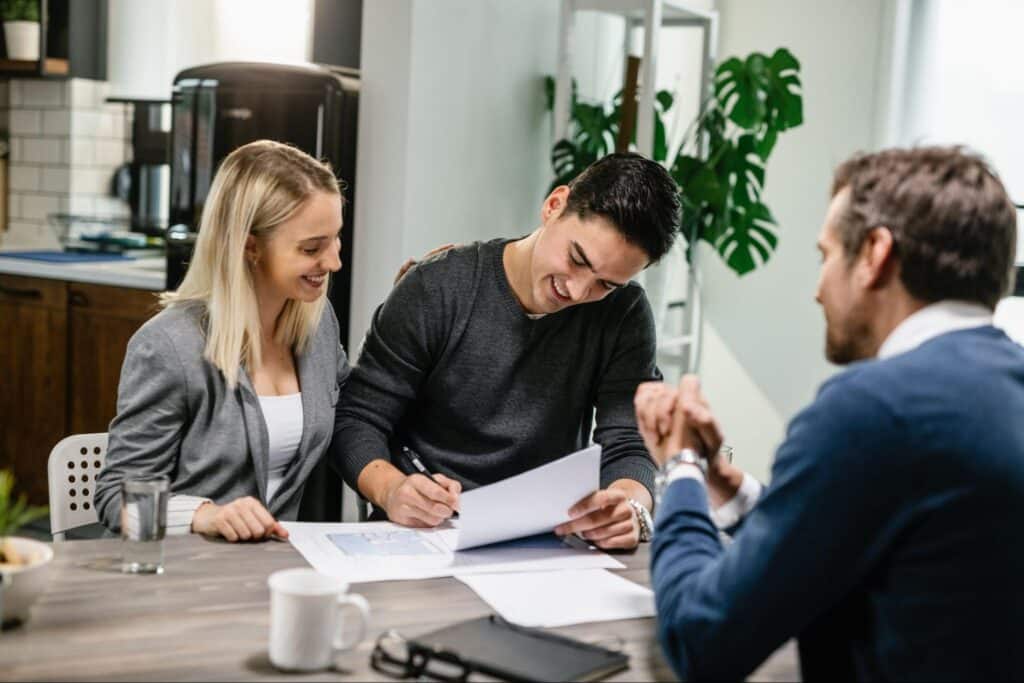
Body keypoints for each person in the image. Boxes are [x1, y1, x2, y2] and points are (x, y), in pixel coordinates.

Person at [636, 146, 1023, 680]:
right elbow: (871, 543)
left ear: (874, 254)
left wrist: (679, 468)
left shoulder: (874, 407)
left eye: (826, 256)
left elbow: (701, 639)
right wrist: (731, 488)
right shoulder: (999, 390)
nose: (819, 290)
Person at [331, 153, 681, 549]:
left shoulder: (625, 313)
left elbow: (629, 442)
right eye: (577, 259)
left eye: (606, 284)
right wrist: (392, 489)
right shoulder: (438, 287)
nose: (578, 292)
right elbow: (357, 418)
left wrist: (630, 506)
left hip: (546, 540)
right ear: (554, 205)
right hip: (425, 534)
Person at [95, 140, 348, 542]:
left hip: (266, 574)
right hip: (182, 578)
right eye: (312, 248)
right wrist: (205, 515)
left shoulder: (317, 326)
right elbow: (117, 498)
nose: (333, 261)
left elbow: (354, 415)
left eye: (336, 239)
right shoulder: (168, 345)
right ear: (249, 245)